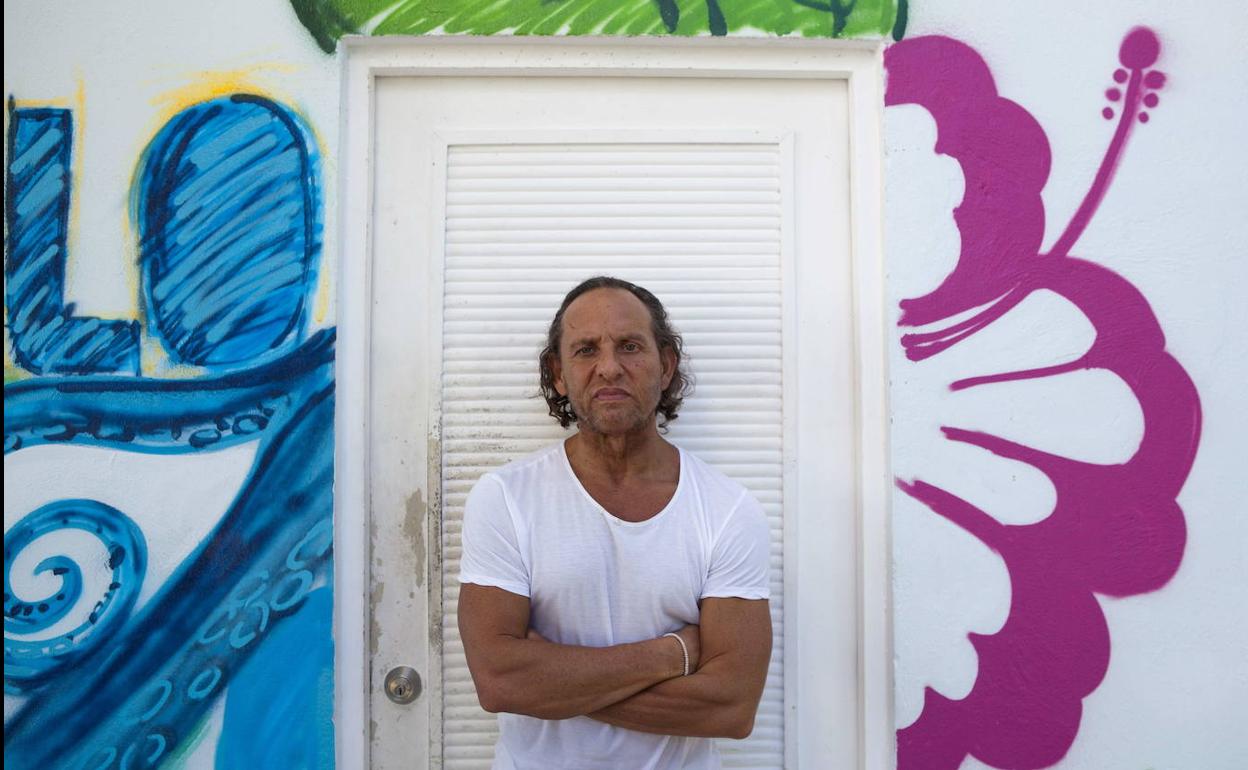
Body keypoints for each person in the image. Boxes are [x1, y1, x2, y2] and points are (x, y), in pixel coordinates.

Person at [457, 276, 773, 769]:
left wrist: (551, 682)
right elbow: (499, 682)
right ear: (559, 375)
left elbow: (731, 707)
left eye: (629, 346)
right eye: (586, 350)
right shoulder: (505, 498)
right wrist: (673, 654)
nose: (609, 367)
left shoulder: (728, 510)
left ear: (666, 365)